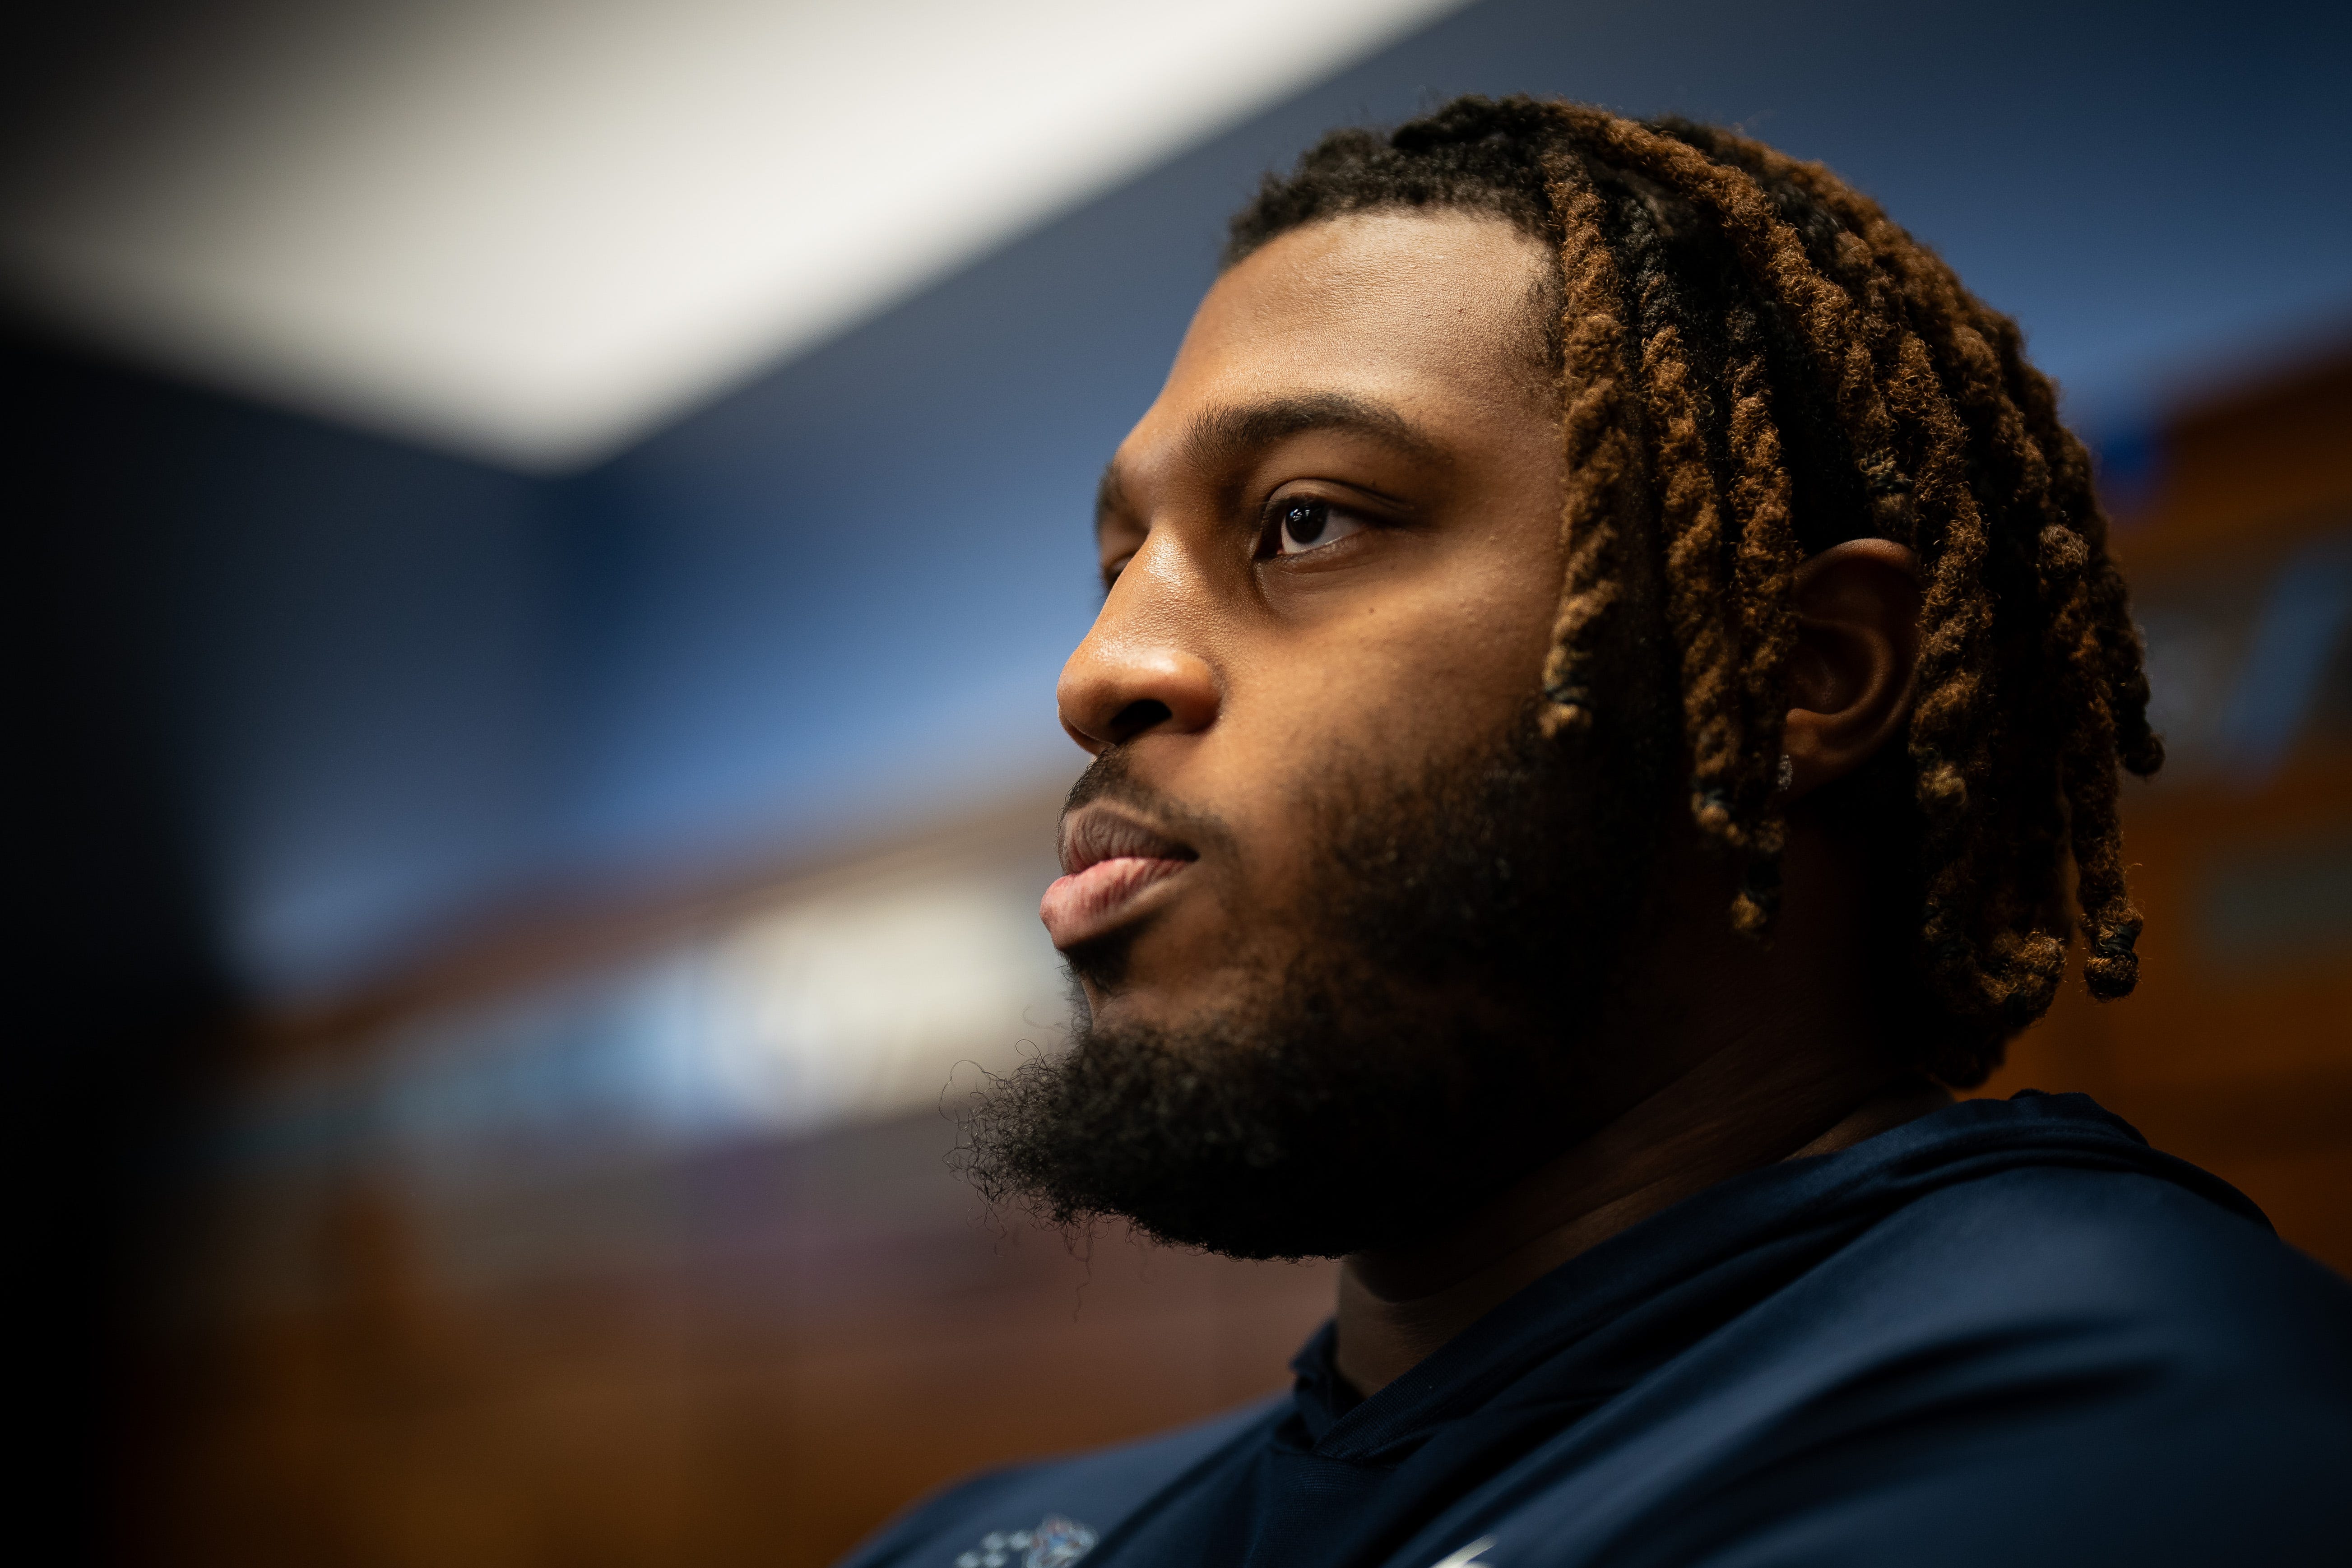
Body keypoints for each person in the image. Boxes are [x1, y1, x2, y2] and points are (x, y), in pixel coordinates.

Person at [841, 96, 2352, 1568]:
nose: (1100, 669)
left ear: (1791, 676)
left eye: (1303, 520)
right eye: (1118, 564)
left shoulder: (2114, 1428)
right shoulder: (989, 1535)